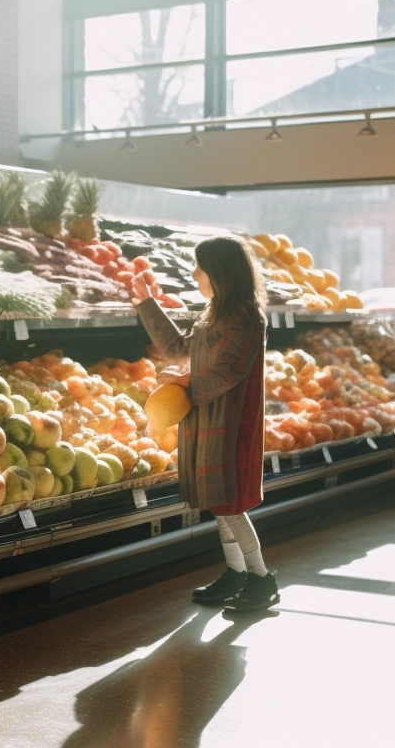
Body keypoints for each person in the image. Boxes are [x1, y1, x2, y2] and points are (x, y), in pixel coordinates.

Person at [133, 235, 277, 613]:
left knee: (230, 504)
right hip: (207, 419)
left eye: (200, 265)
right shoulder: (214, 313)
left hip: (229, 424)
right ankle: (235, 572)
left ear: (219, 271)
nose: (194, 272)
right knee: (219, 501)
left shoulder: (246, 316)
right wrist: (146, 302)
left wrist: (184, 382)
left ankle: (262, 580)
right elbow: (179, 348)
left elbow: (229, 373)